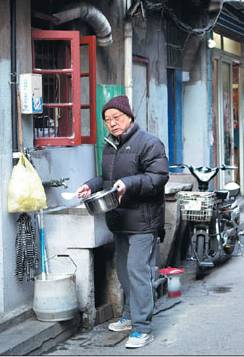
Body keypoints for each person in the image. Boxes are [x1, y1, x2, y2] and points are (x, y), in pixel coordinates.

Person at [76, 95, 169, 349]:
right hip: (119, 219)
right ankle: (129, 315)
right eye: (107, 120)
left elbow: (158, 177)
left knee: (138, 272)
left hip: (143, 221)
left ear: (129, 116)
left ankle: (143, 328)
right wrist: (90, 186)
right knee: (125, 272)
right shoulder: (110, 145)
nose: (112, 123)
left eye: (116, 117)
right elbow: (107, 178)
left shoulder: (150, 143)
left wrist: (128, 184)